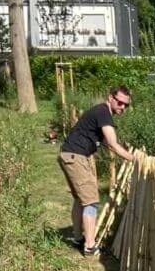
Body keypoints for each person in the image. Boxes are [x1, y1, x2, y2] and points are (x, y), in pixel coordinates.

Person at [58, 85, 135, 256]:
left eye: (126, 105)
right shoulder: (103, 112)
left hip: (71, 154)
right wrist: (135, 159)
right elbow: (113, 145)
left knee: (80, 198)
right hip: (75, 156)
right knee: (91, 201)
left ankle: (78, 238)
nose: (123, 107)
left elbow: (108, 143)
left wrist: (124, 151)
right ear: (111, 98)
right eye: (120, 103)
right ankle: (90, 246)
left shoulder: (101, 112)